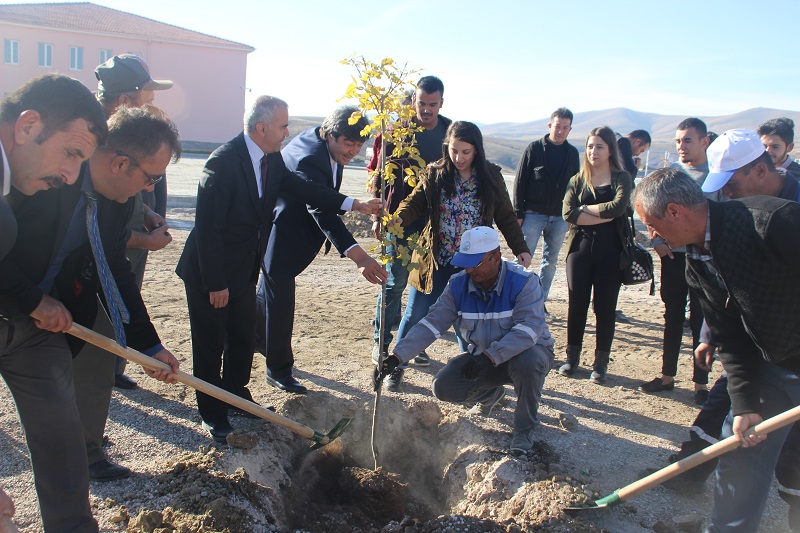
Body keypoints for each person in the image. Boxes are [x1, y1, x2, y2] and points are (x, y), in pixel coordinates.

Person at [176, 96, 381, 443]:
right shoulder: (222, 164)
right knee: (211, 344)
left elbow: (304, 189)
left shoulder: (270, 159)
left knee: (242, 336)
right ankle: (212, 413)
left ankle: (237, 395)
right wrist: (216, 283)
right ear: (262, 128)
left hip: (244, 266)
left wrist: (353, 203)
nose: (288, 133)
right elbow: (208, 230)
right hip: (210, 272)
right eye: (283, 126)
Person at [633, 168, 800, 533]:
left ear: (675, 212)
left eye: (651, 224)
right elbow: (732, 338)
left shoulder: (771, 222)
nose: (651, 235)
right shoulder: (697, 264)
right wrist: (745, 405)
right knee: (741, 451)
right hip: (771, 366)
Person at [0, 74, 108, 532]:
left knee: (61, 434)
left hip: (26, 325)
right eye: (71, 153)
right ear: (27, 127)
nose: (70, 176)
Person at [373, 226, 554, 454]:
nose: (469, 269)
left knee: (529, 361)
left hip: (526, 353)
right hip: (485, 359)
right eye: (465, 262)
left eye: (475, 263)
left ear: (496, 257)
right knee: (444, 387)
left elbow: (528, 330)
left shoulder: (524, 282)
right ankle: (491, 394)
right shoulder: (458, 284)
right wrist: (396, 358)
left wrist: (488, 358)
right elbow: (431, 324)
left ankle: (524, 432)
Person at [385, 121, 531, 391]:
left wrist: (520, 247)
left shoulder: (490, 176)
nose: (459, 157)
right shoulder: (435, 173)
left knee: (472, 325)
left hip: (475, 266)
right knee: (416, 313)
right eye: (453, 151)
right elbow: (414, 203)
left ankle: (479, 379)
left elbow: (505, 215)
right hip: (437, 261)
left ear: (476, 150)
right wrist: (396, 220)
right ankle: (397, 366)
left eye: (466, 151)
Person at [256, 106, 387, 394]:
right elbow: (320, 207)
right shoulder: (311, 158)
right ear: (330, 135)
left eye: (358, 145)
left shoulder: (319, 141)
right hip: (282, 232)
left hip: (286, 226)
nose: (352, 151)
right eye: (347, 144)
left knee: (267, 294)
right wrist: (360, 256)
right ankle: (278, 370)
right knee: (279, 301)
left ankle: (254, 338)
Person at [95, 54, 174, 390]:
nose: (152, 105)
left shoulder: (124, 180)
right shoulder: (76, 176)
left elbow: (112, 261)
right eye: (147, 98)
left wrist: (150, 346)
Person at [370, 75, 451, 365]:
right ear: (413, 101)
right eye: (421, 103)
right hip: (400, 221)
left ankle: (415, 345)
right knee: (395, 283)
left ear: (442, 102)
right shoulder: (397, 132)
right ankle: (381, 343)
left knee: (425, 286)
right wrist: (378, 216)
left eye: (433, 104)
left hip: (436, 227)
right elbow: (379, 176)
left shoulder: (449, 133)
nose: (426, 110)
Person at [639, 118, 714, 404]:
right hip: (674, 257)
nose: (682, 146)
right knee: (672, 317)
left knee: (700, 320)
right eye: (678, 141)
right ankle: (667, 376)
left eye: (688, 140)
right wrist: (657, 242)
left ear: (704, 141)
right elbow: (650, 209)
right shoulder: (669, 175)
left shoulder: (715, 176)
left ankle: (700, 383)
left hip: (704, 261)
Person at [559, 126, 632, 384]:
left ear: (610, 149)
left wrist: (586, 210)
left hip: (610, 254)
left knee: (605, 308)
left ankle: (600, 365)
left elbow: (619, 207)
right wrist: (605, 216)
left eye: (599, 146)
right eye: (590, 146)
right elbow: (568, 214)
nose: (593, 151)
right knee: (576, 305)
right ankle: (572, 359)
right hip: (578, 250)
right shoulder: (578, 180)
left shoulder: (621, 178)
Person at [512, 108, 580, 317]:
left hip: (560, 217)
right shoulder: (534, 149)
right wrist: (518, 212)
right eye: (557, 126)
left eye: (565, 128)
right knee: (523, 260)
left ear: (570, 129)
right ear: (550, 125)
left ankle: (538, 303)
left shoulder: (572, 153)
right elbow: (520, 180)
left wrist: (571, 216)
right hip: (533, 213)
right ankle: (514, 301)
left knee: (550, 263)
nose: (560, 131)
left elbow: (576, 186)